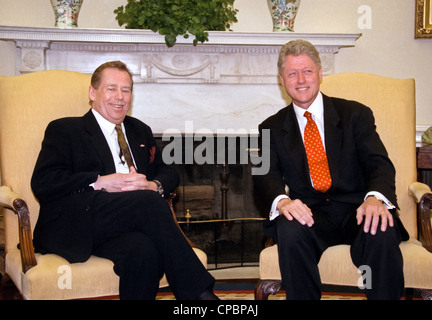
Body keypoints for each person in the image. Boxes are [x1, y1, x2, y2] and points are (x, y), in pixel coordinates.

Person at [31, 61, 218, 300]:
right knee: (148, 202)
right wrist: (99, 181)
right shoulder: (65, 130)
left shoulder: (139, 130)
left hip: (123, 227)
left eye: (126, 90)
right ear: (92, 93)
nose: (119, 97)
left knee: (144, 251)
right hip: (80, 220)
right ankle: (199, 295)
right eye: (111, 88)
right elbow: (44, 182)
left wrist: (154, 185)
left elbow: (168, 171)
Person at [253, 40, 409, 300]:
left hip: (356, 209)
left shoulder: (355, 114)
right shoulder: (270, 127)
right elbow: (263, 175)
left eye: (307, 71)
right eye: (292, 73)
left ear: (320, 73)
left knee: (380, 224)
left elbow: (379, 163)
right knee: (288, 228)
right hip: (310, 214)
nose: (301, 80)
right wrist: (282, 202)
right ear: (282, 80)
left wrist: (374, 198)